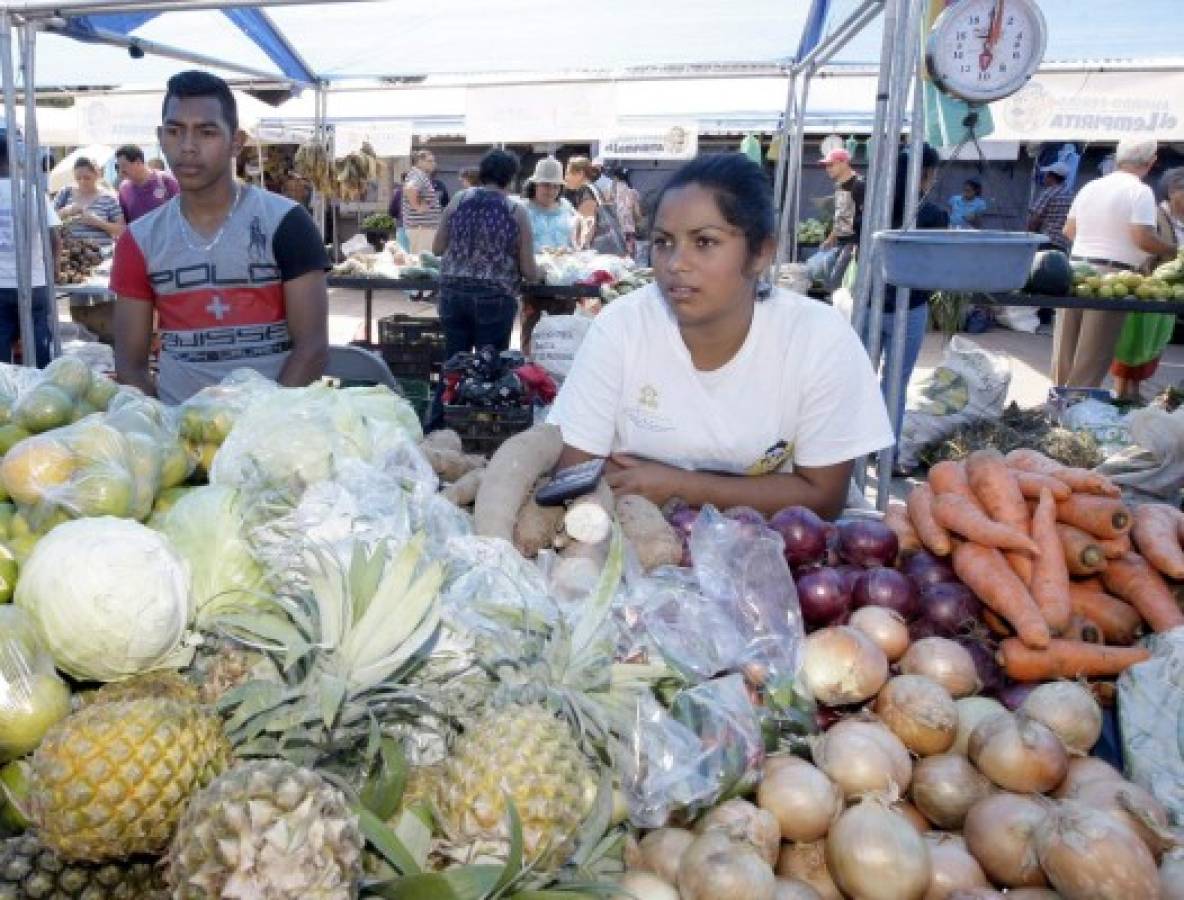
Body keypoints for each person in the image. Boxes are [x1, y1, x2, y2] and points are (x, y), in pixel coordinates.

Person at [549, 153, 893, 520]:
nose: (675, 263)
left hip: (775, 555)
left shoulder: (819, 340)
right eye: (664, 242)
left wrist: (679, 485)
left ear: (761, 253)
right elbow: (575, 472)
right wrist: (771, 489)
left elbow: (823, 498)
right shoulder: (621, 327)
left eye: (705, 242)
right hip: (639, 542)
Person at [111, 70, 329, 405]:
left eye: (206, 132)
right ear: (160, 137)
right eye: (174, 131)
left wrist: (259, 428)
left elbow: (312, 348)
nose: (187, 147)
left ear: (236, 142)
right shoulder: (139, 240)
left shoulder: (286, 223)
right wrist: (167, 427)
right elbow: (130, 364)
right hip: (182, 438)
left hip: (273, 435)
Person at [428, 149, 538, 429]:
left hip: (453, 294)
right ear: (511, 179)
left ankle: (439, 425)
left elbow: (437, 248)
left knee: (454, 364)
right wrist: (541, 272)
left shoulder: (458, 200)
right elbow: (528, 270)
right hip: (494, 298)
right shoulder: (516, 211)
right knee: (489, 369)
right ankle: (480, 427)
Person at [1055, 137, 1175, 388]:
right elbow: (1143, 238)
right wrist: (1173, 250)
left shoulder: (1091, 186)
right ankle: (1075, 410)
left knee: (1065, 351)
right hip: (1112, 275)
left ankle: (1056, 403)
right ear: (1152, 162)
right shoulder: (1139, 191)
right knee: (1092, 355)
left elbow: (1068, 230)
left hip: (1075, 270)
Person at [879, 144, 949, 434]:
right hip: (909, 307)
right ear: (926, 174)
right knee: (895, 383)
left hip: (869, 302)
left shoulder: (876, 209)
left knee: (855, 382)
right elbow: (937, 264)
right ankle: (886, 454)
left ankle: (850, 457)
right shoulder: (934, 215)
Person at [1109, 167, 1184, 400]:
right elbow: (1142, 244)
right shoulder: (1154, 215)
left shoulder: (1180, 221)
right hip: (1145, 286)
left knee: (1152, 343)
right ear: (1172, 192)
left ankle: (1135, 391)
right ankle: (1122, 393)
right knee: (1132, 341)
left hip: (1167, 293)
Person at [0, 133, 60, 366]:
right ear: (11, 159)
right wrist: (53, 268)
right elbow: (54, 235)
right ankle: (43, 386)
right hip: (34, 281)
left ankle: (5, 394)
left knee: (2, 352)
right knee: (38, 343)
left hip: (1, 285)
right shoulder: (31, 191)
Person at [54, 157, 124, 245]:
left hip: (101, 255)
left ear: (97, 175)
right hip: (68, 255)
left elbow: (121, 230)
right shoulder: (65, 192)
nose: (82, 181)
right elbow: (47, 221)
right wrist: (66, 211)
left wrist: (98, 222)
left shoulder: (109, 198)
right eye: (78, 178)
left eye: (87, 178)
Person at [564, 155, 624, 254]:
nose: (565, 178)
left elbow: (587, 225)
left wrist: (580, 250)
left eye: (568, 174)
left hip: (598, 250)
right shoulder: (594, 188)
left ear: (580, 174)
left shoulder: (585, 191)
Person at [523, 157, 577, 254]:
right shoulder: (522, 210)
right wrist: (539, 250)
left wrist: (570, 249)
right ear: (535, 185)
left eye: (556, 186)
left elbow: (575, 240)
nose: (551, 191)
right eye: (546, 185)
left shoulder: (566, 206)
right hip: (533, 267)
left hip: (565, 265)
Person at [115, 144, 179, 223]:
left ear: (138, 162)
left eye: (124, 166)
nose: (121, 171)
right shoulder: (124, 189)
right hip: (138, 235)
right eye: (118, 166)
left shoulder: (166, 180)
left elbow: (183, 212)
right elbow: (124, 221)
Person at [401, 149, 443, 255]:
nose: (433, 164)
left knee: (423, 260)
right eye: (430, 161)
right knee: (422, 261)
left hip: (423, 229)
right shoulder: (418, 175)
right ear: (419, 162)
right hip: (422, 229)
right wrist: (417, 206)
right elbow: (410, 188)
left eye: (433, 161)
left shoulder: (419, 175)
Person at [612, 167, 643, 259]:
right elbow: (637, 214)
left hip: (614, 229)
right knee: (629, 259)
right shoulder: (633, 192)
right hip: (629, 229)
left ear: (616, 178)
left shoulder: (611, 192)